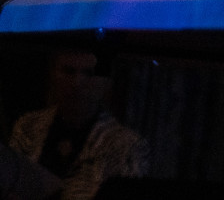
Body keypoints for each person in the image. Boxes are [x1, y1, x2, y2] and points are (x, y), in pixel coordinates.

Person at [7, 50, 149, 200]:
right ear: (53, 74)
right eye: (68, 71)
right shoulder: (28, 127)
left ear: (105, 81)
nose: (77, 83)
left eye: (89, 73)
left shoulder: (126, 145)